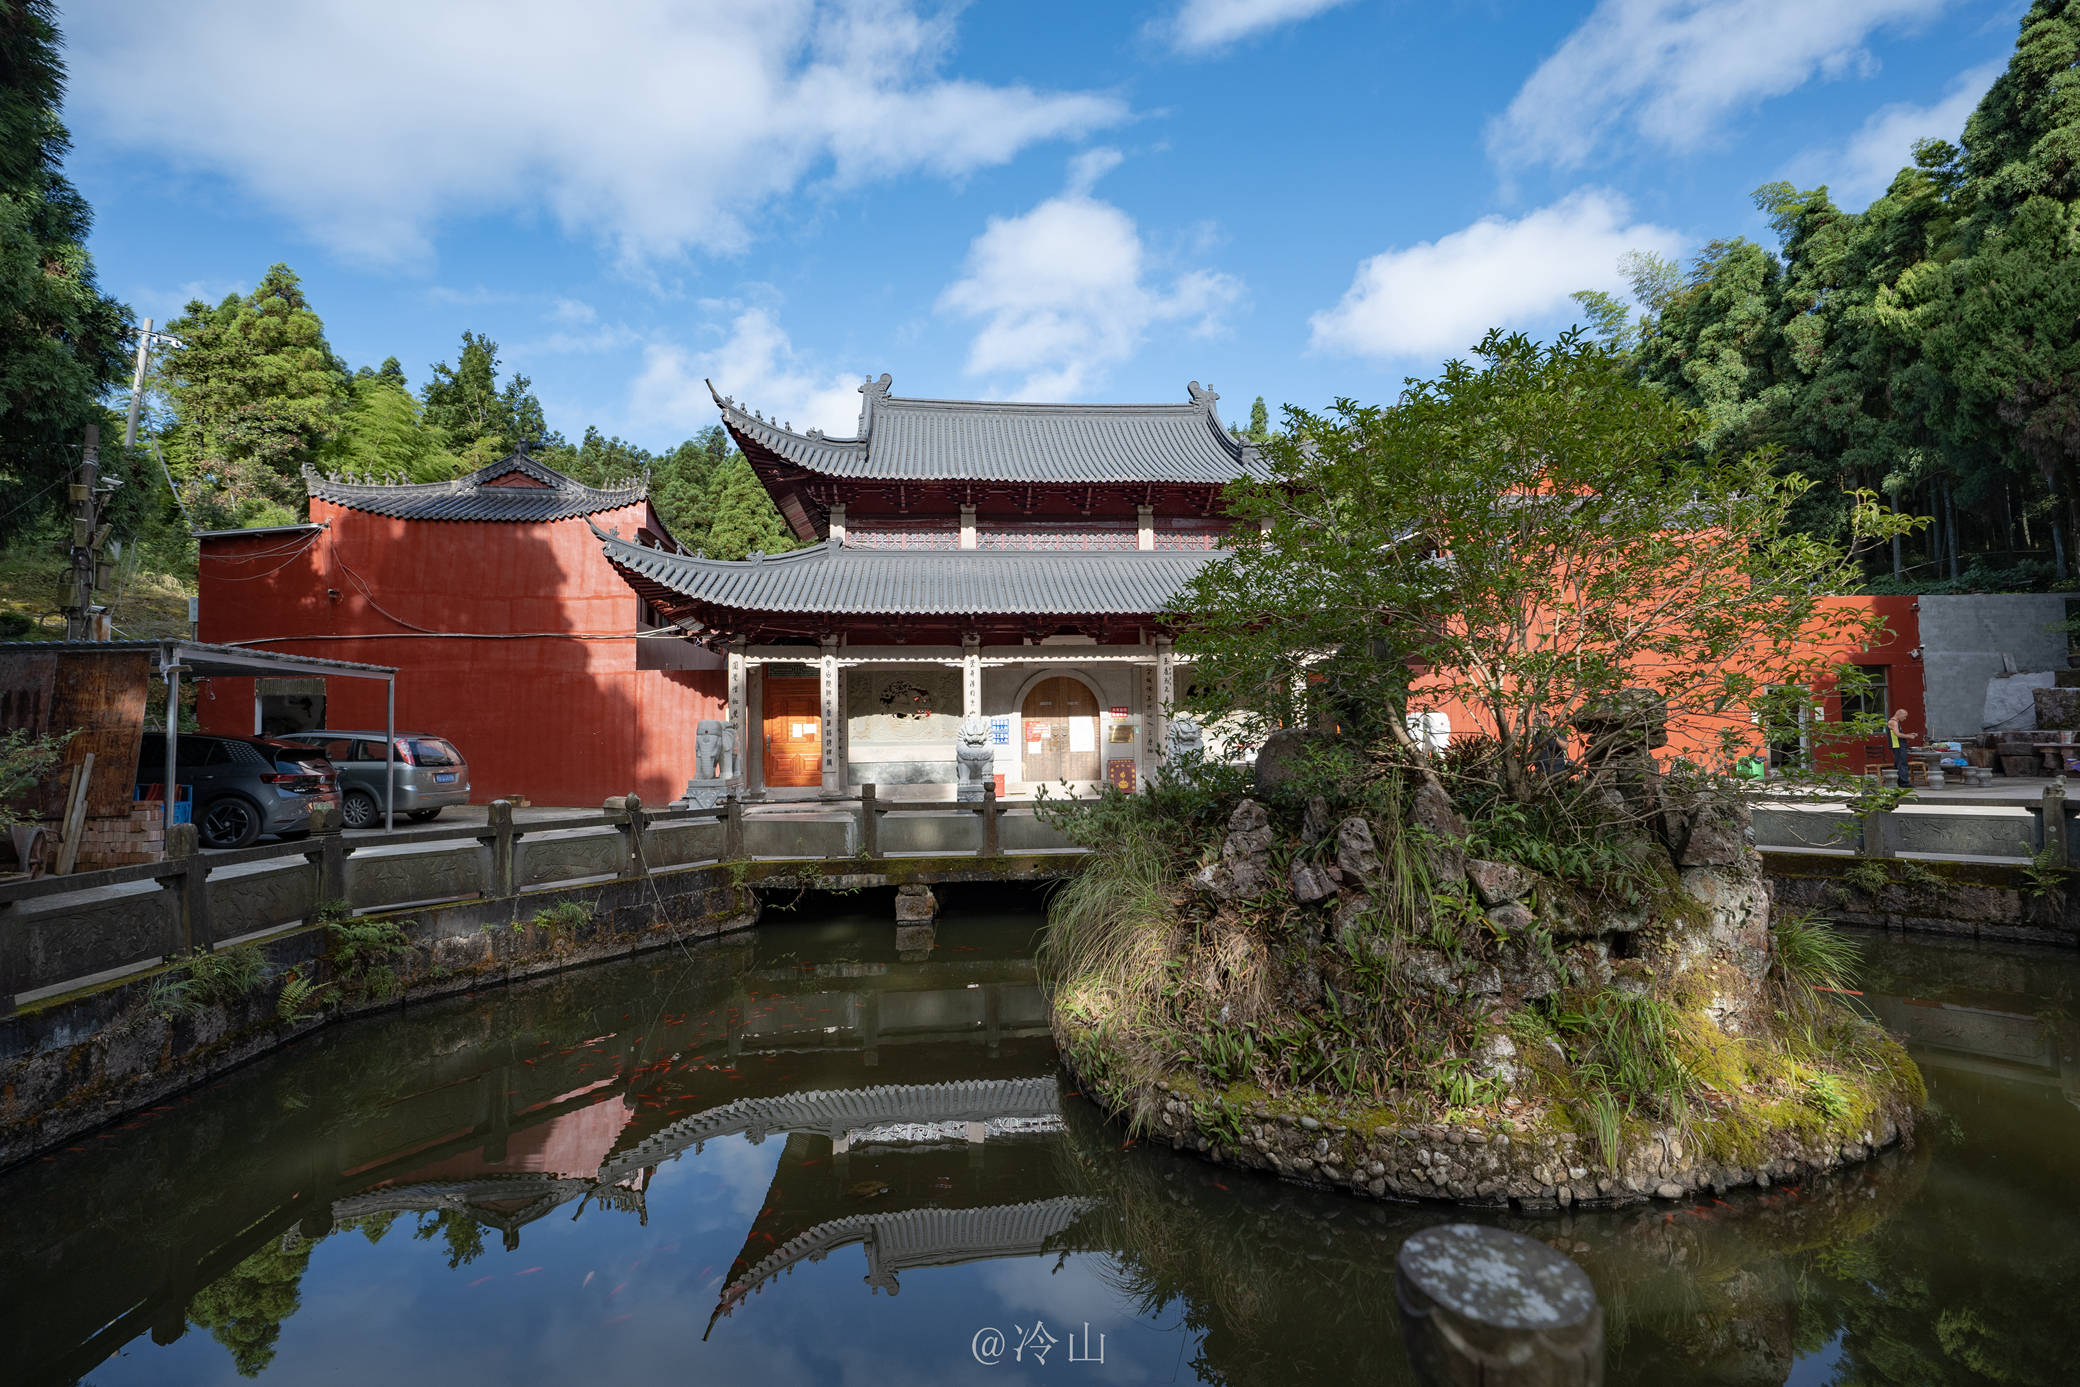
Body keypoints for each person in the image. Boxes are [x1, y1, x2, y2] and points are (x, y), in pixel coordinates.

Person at [1886, 708, 1913, 787]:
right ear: (1899, 714)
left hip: (1899, 745)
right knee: (1902, 764)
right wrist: (1909, 736)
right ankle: (1904, 782)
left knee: (1899, 763)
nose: (1905, 718)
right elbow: (1897, 734)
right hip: (1897, 745)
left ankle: (1898, 781)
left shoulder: (1895, 722)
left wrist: (1909, 734)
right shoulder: (1893, 722)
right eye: (1904, 716)